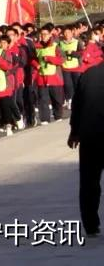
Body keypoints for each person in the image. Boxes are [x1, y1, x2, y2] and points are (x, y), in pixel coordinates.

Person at [69, 60, 104, 237]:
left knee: (89, 182)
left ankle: (90, 224)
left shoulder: (89, 74)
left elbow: (77, 105)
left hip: (90, 136)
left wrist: (74, 131)